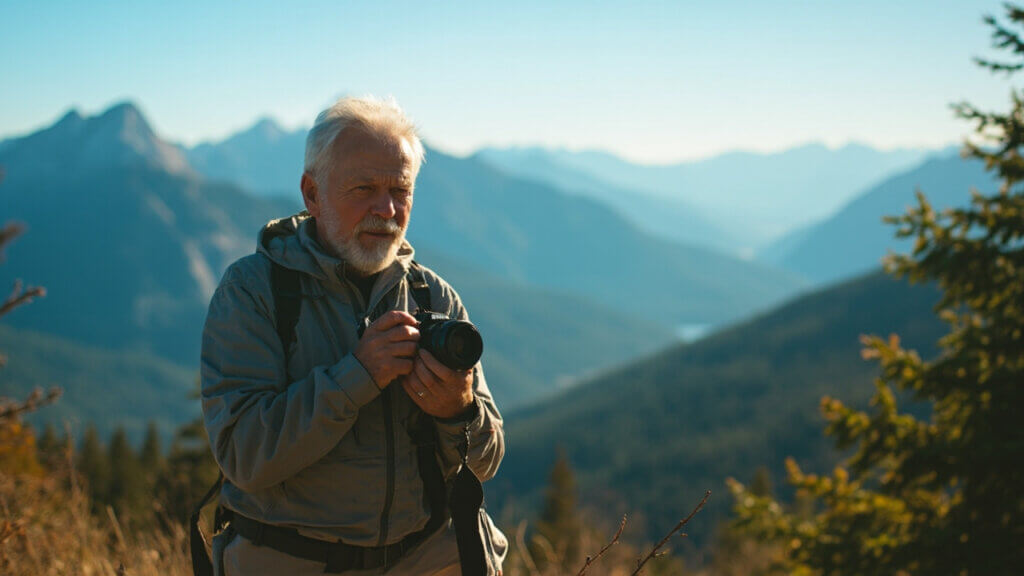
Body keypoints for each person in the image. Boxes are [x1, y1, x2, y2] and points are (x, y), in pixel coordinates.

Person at [200, 96, 506, 575]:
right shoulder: (255, 292)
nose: (385, 208)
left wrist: (457, 411)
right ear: (312, 194)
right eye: (363, 188)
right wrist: (357, 375)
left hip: (427, 558)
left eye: (400, 190)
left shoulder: (432, 297)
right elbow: (244, 456)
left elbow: (486, 461)